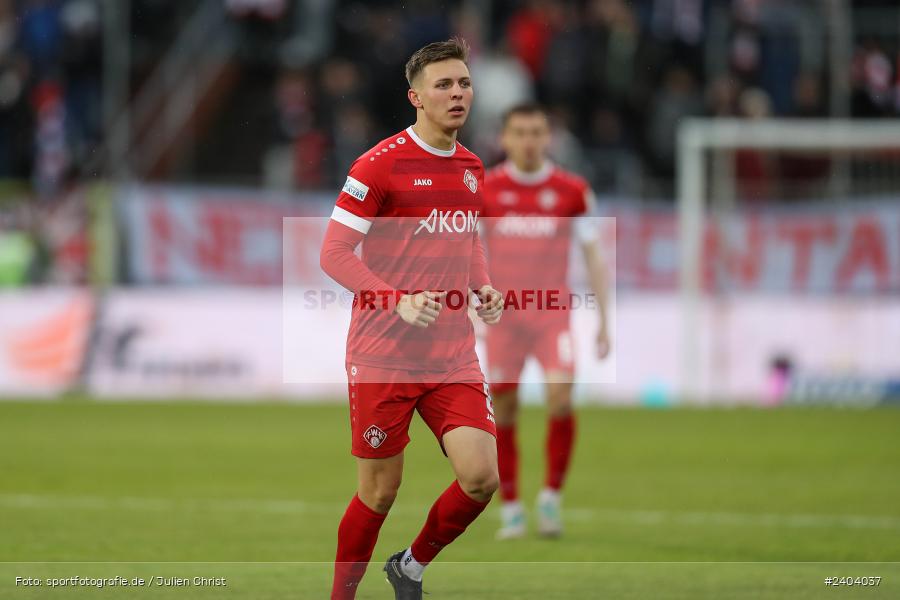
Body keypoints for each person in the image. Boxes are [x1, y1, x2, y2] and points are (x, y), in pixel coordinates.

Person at [319, 37, 503, 600]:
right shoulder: (377, 166)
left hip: (450, 355)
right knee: (379, 493)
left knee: (481, 477)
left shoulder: (472, 168)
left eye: (464, 83)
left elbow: (466, 238)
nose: (457, 93)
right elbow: (333, 254)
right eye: (443, 84)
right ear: (415, 97)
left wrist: (483, 287)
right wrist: (395, 298)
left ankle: (411, 566)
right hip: (384, 356)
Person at [481, 103, 611, 539]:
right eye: (519, 132)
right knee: (504, 411)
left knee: (559, 398)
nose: (528, 140)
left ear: (547, 137)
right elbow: (466, 252)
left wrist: (604, 320)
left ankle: (551, 498)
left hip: (551, 315)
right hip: (502, 320)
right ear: (504, 138)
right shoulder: (484, 189)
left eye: (536, 131)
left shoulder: (572, 190)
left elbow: (594, 255)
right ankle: (512, 508)